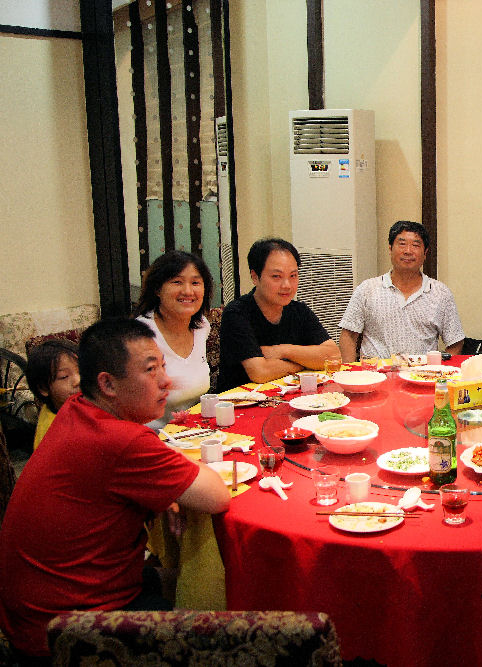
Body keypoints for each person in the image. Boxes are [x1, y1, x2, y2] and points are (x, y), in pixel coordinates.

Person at [0, 318, 230, 660]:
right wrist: (171, 477)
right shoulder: (119, 440)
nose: (167, 381)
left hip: (37, 611)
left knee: (178, 580)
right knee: (218, 628)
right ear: (107, 384)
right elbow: (217, 495)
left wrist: (164, 488)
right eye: (151, 371)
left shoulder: (78, 410)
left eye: (163, 366)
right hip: (67, 634)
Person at [218, 238, 340, 390]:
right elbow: (260, 372)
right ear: (255, 277)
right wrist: (302, 362)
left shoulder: (299, 310)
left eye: (293, 276)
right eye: (276, 276)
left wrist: (282, 351)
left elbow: (333, 356)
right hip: (240, 403)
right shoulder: (236, 313)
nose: (287, 285)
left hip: (285, 398)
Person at [339, 220, 465, 362]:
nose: (408, 251)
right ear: (390, 248)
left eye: (415, 245)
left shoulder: (441, 293)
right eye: (402, 244)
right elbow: (348, 335)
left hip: (421, 377)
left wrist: (437, 369)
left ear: (425, 253)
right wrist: (350, 373)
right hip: (376, 376)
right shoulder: (367, 289)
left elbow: (455, 342)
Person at [133, 250, 213, 428]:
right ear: (157, 289)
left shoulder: (202, 327)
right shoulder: (140, 336)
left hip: (193, 432)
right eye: (177, 282)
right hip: (154, 438)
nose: (187, 291)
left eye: (195, 283)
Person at [25, 338, 79, 449]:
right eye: (64, 377)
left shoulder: (59, 407)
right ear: (44, 388)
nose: (78, 380)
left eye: (81, 371)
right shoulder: (56, 431)